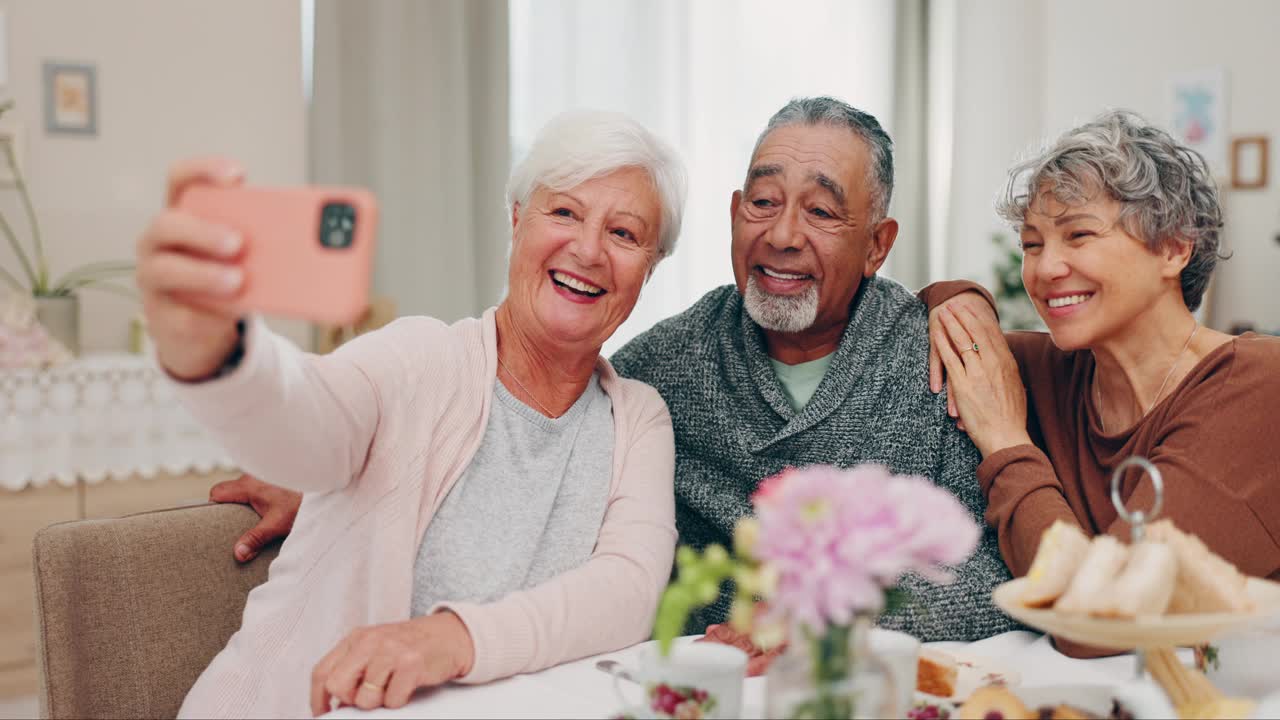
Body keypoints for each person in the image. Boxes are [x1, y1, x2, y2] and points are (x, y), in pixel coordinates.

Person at [217, 97, 1022, 650]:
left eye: (820, 211)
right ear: (733, 210)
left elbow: (996, 574)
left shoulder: (941, 357)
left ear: (878, 244)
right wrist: (339, 483)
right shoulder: (659, 371)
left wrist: (832, 620)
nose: (781, 235)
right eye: (762, 203)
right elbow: (526, 440)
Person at [138, 110, 685, 717]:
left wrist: (448, 640)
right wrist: (222, 353)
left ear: (651, 268)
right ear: (515, 220)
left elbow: (628, 593)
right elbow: (305, 424)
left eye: (625, 234)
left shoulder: (638, 420)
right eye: (563, 213)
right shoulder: (421, 358)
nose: (587, 249)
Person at [929, 111, 1280, 654]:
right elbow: (905, 321)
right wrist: (964, 298)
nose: (1046, 270)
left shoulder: (1257, 387)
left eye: (1079, 235)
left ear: (1174, 248)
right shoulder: (1057, 369)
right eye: (1032, 244)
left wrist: (1005, 441)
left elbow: (1097, 622)